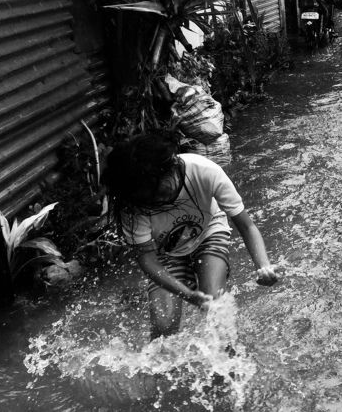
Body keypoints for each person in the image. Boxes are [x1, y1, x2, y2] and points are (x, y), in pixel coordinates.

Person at [103, 132, 279, 339]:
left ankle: (230, 363)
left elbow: (247, 226)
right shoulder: (132, 203)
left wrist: (263, 266)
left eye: (158, 193)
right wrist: (186, 294)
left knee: (214, 305)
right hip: (164, 251)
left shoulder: (204, 171)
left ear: (170, 170)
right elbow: (147, 259)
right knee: (163, 327)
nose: (157, 201)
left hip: (208, 232)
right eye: (147, 199)